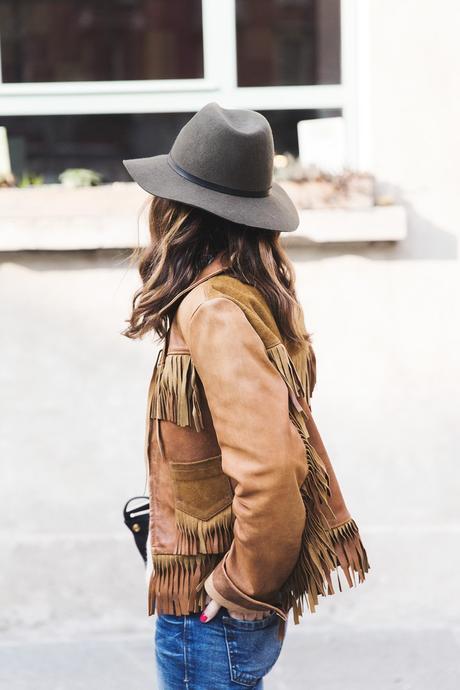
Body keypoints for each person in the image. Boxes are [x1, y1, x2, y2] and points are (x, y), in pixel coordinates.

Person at [122, 102, 369, 690]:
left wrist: (239, 586)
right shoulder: (246, 293)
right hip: (213, 601)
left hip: (211, 611)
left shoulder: (214, 310)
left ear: (178, 212)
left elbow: (271, 470)